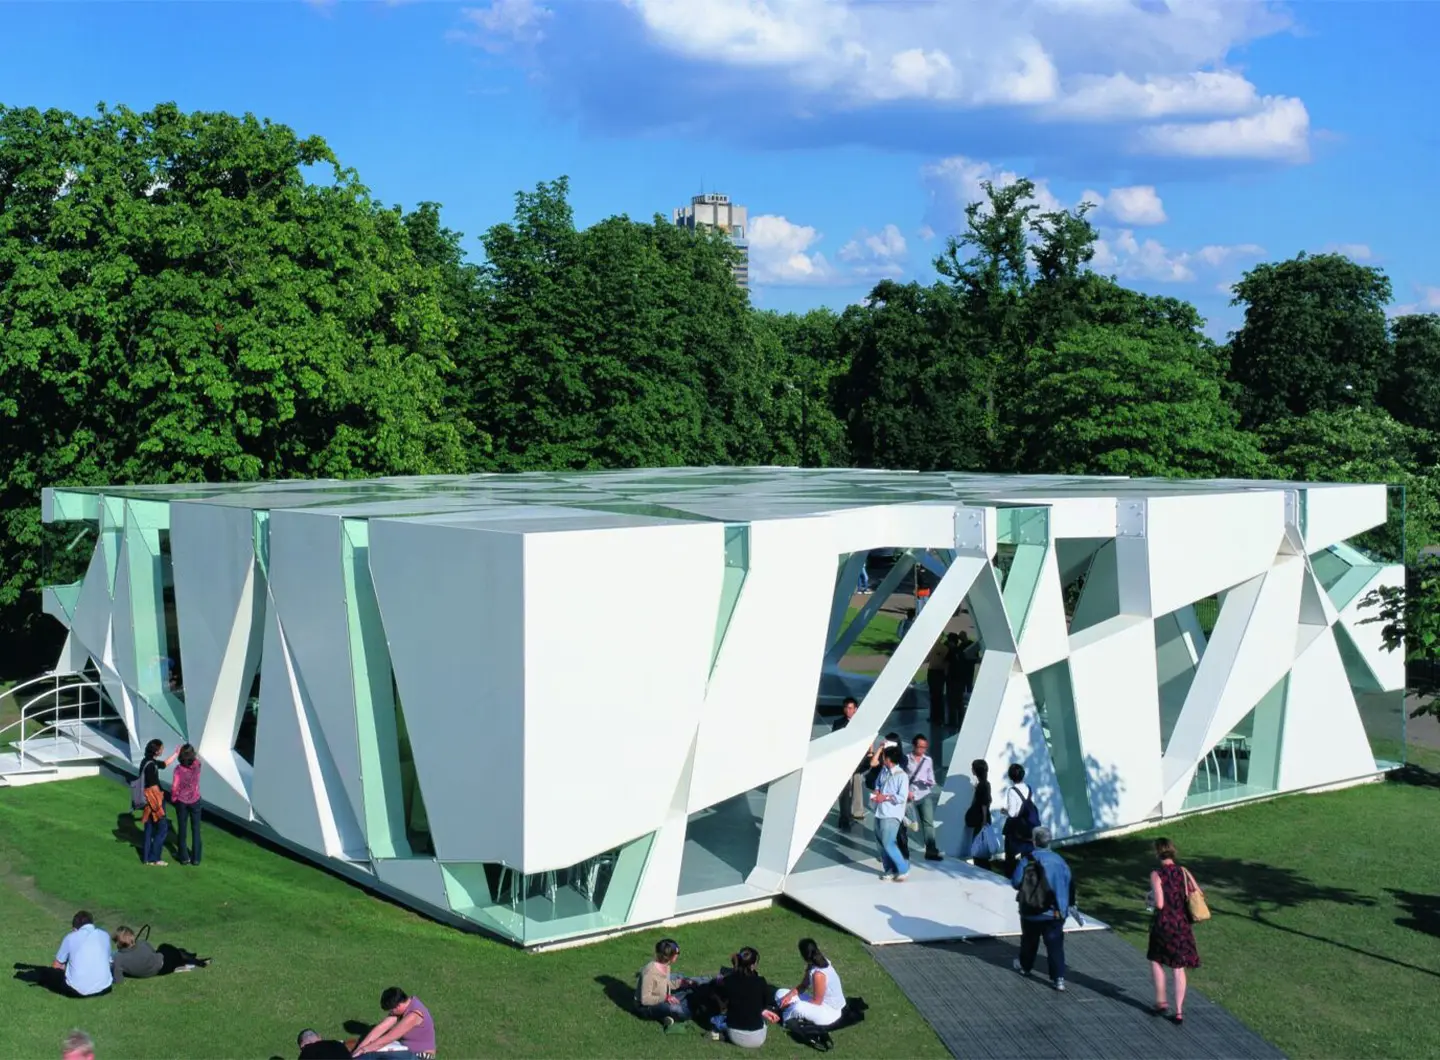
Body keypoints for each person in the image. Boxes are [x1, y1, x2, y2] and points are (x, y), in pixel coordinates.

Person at [1011, 827, 1076, 992]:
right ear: (1050, 840)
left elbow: (1016, 882)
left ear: (1034, 841)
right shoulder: (1060, 861)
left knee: (1029, 941)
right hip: (1054, 913)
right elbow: (1070, 884)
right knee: (1055, 946)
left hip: (1030, 911)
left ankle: (1025, 967)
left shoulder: (1027, 860)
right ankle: (1058, 978)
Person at [1147, 838, 1201, 1024]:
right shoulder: (1182, 871)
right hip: (1182, 924)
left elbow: (1160, 903)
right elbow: (1198, 892)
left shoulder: (1157, 874)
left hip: (1164, 924)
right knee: (1178, 968)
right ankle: (1179, 1012)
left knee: (1156, 960)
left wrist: (1150, 900)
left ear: (1157, 853)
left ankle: (1161, 1001)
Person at [712, 947, 779, 1047]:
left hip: (734, 1034)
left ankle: (720, 1034)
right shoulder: (760, 982)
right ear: (753, 965)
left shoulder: (729, 981)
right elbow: (766, 1003)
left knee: (716, 1019)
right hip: (758, 1038)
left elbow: (720, 999)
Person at [775, 939, 845, 1028]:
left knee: (798, 1007)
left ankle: (785, 1021)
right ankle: (792, 1013)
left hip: (830, 1012)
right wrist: (788, 996)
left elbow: (817, 1002)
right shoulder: (812, 964)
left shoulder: (818, 975)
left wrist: (791, 1004)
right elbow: (803, 985)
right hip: (819, 1004)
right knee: (781, 993)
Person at [352, 987, 436, 1058]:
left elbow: (389, 1037)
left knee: (374, 1053)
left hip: (420, 1055)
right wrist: (359, 1049)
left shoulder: (414, 1015)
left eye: (391, 1010)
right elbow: (381, 1028)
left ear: (398, 1006)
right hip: (405, 1049)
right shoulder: (404, 1006)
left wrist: (365, 1050)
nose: (391, 1013)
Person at [871, 745, 910, 882]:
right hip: (879, 811)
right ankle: (889, 869)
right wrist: (876, 791)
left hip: (892, 814)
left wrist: (885, 797)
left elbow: (902, 797)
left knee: (888, 842)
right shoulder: (884, 771)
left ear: (888, 759)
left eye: (883, 756)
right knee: (880, 843)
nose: (882, 759)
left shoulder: (902, 776)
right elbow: (878, 784)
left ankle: (903, 868)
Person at [52, 911, 113, 998]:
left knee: (49, 974)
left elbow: (57, 965)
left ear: (75, 928)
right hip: (105, 988)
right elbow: (109, 961)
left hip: (77, 991)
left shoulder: (71, 937)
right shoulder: (104, 935)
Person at [110, 925, 208, 980]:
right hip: (164, 965)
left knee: (175, 953)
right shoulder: (142, 944)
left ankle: (187, 955)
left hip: (159, 972)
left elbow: (118, 980)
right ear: (132, 936)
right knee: (164, 947)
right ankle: (194, 960)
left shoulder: (118, 958)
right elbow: (154, 953)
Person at [635, 938, 690, 1031]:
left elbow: (666, 984)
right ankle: (668, 1014)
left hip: (662, 999)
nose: (678, 955)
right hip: (645, 1008)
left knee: (688, 991)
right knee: (680, 1011)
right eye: (677, 953)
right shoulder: (649, 972)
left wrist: (681, 983)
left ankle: (665, 1016)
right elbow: (645, 1000)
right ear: (670, 955)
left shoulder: (666, 966)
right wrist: (665, 998)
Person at [830, 698, 868, 832]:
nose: (848, 710)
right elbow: (833, 742)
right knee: (845, 791)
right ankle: (844, 817)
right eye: (846, 707)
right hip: (843, 761)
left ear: (856, 709)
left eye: (851, 708)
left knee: (857, 784)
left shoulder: (861, 724)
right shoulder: (838, 723)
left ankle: (857, 812)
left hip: (858, 761)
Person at [905, 734, 942, 861]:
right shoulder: (906, 759)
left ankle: (931, 850)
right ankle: (902, 849)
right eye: (920, 747)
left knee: (928, 823)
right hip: (909, 795)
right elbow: (902, 777)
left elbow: (931, 778)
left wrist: (928, 782)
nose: (922, 750)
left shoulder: (928, 760)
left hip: (924, 793)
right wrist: (906, 791)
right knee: (906, 823)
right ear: (914, 746)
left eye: (924, 747)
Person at [140, 739, 175, 866]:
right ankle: (154, 858)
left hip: (147, 801)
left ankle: (146, 858)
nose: (163, 750)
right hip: (154, 801)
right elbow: (153, 787)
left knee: (149, 829)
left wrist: (176, 754)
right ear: (156, 751)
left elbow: (165, 764)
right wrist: (159, 806)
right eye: (161, 749)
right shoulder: (151, 766)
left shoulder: (147, 762)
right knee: (162, 828)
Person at [1001, 762, 1039, 876]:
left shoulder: (1012, 791)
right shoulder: (1028, 788)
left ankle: (1011, 875)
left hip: (1016, 827)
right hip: (1028, 824)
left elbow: (1012, 813)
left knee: (1011, 854)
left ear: (1011, 776)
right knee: (1027, 852)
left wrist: (1004, 811)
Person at [171, 744, 203, 866]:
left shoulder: (178, 769)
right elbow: (196, 758)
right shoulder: (197, 766)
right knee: (196, 830)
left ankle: (184, 857)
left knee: (182, 829)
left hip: (182, 801)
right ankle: (196, 858)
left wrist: (174, 798)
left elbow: (174, 786)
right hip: (195, 800)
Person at [965, 759, 994, 866]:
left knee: (979, 848)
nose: (971, 769)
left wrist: (984, 820)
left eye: (973, 768)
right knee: (981, 847)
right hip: (982, 819)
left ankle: (982, 869)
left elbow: (984, 804)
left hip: (981, 820)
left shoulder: (982, 785)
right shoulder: (984, 784)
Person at [946, 631, 977, 726]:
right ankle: (961, 721)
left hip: (955, 678)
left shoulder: (955, 650)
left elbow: (947, 664)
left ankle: (953, 722)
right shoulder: (962, 650)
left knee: (953, 701)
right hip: (962, 676)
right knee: (959, 700)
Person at [924, 637, 947, 728]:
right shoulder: (932, 647)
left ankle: (940, 717)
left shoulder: (944, 648)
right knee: (933, 695)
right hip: (932, 671)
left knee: (938, 695)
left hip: (938, 672)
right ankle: (933, 716)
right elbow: (927, 658)